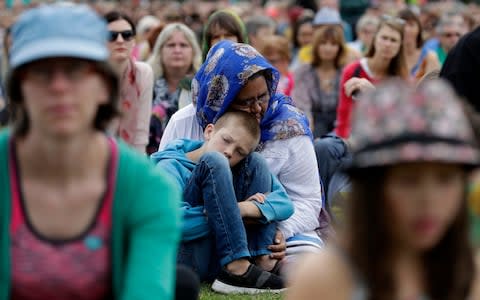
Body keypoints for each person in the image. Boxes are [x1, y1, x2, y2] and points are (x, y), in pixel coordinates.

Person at [0, 4, 181, 299]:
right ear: (19, 87)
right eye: (42, 72)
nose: (59, 87)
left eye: (76, 70)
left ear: (104, 86)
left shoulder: (149, 190)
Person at [286, 79, 480, 300]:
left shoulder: (469, 274)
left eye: (445, 179)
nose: (429, 200)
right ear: (373, 187)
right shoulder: (326, 276)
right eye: (409, 180)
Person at [160, 40, 325, 267]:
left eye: (263, 97)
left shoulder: (289, 128)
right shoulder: (184, 122)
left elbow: (306, 200)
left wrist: (279, 230)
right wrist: (226, 215)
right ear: (221, 97)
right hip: (196, 229)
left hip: (266, 227)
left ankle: (257, 262)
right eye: (246, 102)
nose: (257, 109)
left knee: (308, 267)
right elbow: (162, 195)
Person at [153, 111, 293, 294]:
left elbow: (285, 203)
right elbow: (171, 223)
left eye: (239, 152)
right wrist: (226, 216)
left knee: (257, 161)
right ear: (209, 131)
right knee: (214, 160)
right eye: (226, 140)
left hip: (219, 255)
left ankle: (263, 261)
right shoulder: (170, 166)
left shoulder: (240, 166)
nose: (229, 152)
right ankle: (237, 270)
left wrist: (241, 209)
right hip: (186, 258)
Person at [335, 15, 408, 139]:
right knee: (325, 147)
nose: (388, 44)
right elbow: (344, 116)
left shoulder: (401, 78)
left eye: (393, 40)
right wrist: (345, 141)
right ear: (375, 39)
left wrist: (373, 93)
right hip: (351, 137)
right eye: (384, 38)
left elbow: (399, 123)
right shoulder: (353, 70)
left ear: (400, 46)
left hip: (383, 139)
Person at [146, 22, 202, 154]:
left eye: (183, 45)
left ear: (193, 51)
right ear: (160, 50)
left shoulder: (202, 89)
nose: (177, 50)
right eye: (171, 45)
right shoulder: (146, 84)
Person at [105, 11, 153, 153]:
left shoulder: (143, 73)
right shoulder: (91, 76)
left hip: (130, 155)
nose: (120, 40)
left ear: (133, 41)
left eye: (126, 35)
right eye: (112, 36)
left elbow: (141, 132)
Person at [292, 25, 348, 138]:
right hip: (314, 122)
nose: (328, 48)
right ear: (316, 46)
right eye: (323, 43)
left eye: (333, 44)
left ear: (340, 48)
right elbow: (302, 106)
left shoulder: (346, 72)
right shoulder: (304, 72)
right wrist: (308, 133)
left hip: (340, 122)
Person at [398, 9, 439, 82]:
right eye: (403, 24)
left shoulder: (429, 57)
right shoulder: (391, 56)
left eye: (411, 24)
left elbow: (433, 86)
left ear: (418, 29)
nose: (406, 29)